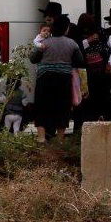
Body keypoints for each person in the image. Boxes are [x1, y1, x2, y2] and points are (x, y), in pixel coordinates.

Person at [30, 14, 85, 143]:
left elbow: (33, 59)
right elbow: (80, 61)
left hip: (44, 78)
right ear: (66, 29)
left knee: (42, 106)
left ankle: (41, 137)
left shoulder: (44, 43)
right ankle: (60, 139)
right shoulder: (72, 43)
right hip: (64, 79)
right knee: (62, 107)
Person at [78, 13, 111, 124]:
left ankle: (105, 120)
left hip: (102, 72)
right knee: (87, 98)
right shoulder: (78, 34)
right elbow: (77, 48)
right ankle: (89, 123)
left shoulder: (102, 33)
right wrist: (88, 41)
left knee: (104, 97)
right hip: (86, 74)